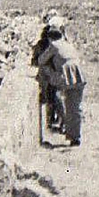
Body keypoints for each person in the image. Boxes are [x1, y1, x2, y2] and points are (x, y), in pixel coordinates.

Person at [33, 13, 86, 146]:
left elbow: (41, 60)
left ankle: (48, 102)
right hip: (78, 75)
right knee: (74, 107)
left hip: (65, 78)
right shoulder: (68, 44)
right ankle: (75, 136)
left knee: (45, 71)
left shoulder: (53, 46)